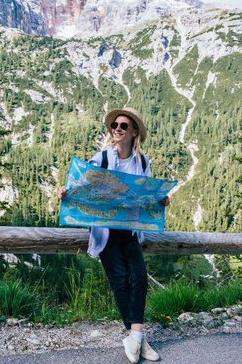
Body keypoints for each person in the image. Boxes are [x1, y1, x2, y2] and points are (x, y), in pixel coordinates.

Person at [57, 107, 170, 364]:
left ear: (134, 132)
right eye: (114, 126)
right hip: (105, 230)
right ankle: (138, 338)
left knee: (139, 276)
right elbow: (82, 184)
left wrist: (161, 200)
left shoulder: (142, 162)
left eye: (123, 126)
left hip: (129, 228)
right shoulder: (103, 158)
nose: (117, 129)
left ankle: (136, 337)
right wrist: (66, 192)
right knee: (120, 280)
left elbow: (147, 195)